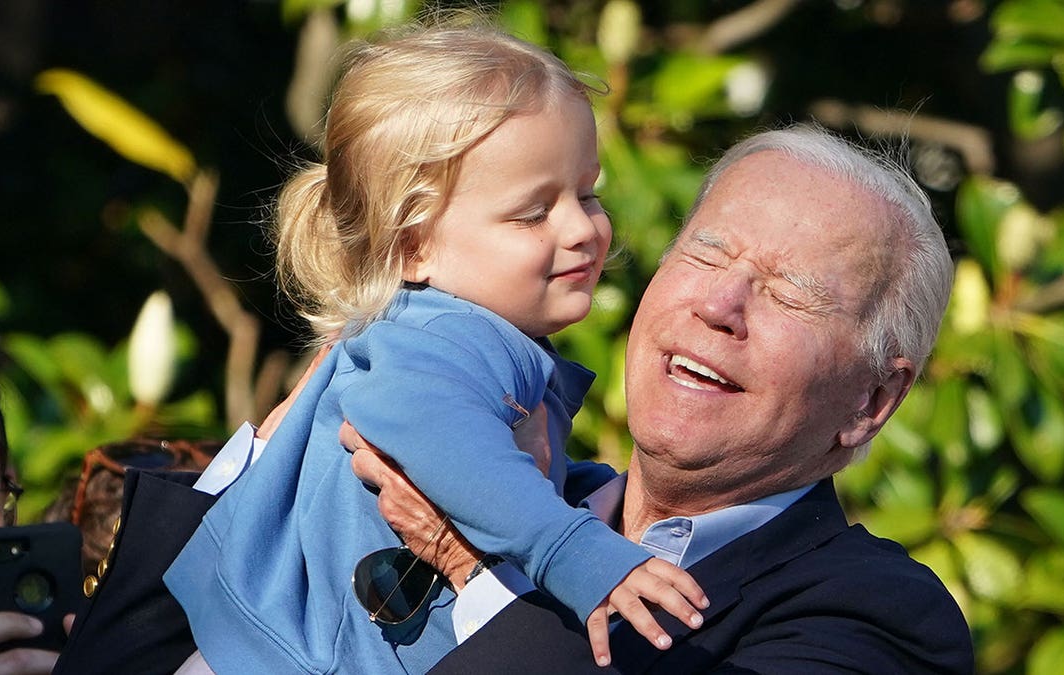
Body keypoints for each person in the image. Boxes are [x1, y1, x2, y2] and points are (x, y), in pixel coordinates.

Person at [162, 23, 705, 675]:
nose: (583, 226)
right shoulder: (439, 337)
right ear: (412, 246)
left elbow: (487, 465)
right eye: (533, 212)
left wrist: (587, 492)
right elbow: (451, 447)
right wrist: (576, 549)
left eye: (586, 192)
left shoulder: (470, 329)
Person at [343, 123, 977, 672]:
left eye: (790, 294)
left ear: (871, 399)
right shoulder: (507, 474)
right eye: (704, 256)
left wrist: (479, 565)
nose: (717, 306)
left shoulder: (883, 619)